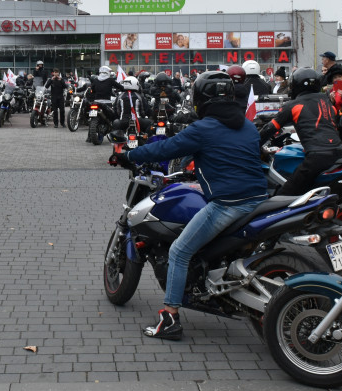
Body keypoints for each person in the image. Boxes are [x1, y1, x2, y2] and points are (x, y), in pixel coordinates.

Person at [110, 71, 268, 340]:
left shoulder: (203, 129)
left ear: (200, 99)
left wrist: (129, 155)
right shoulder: (248, 125)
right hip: (259, 199)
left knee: (180, 251)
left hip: (228, 204)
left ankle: (170, 318)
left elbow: (165, 149)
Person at [259, 67, 342, 196]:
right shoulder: (327, 101)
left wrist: (254, 143)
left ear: (295, 85)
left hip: (317, 157)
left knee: (284, 195)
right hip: (340, 153)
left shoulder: (293, 105)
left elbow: (269, 129)